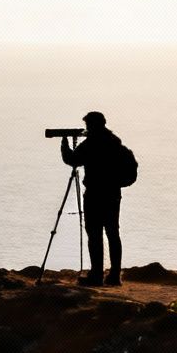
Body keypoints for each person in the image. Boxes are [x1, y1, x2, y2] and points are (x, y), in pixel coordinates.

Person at [60, 111, 126, 286]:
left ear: (92, 125)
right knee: (113, 233)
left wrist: (65, 144)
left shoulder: (91, 144)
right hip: (113, 193)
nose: (86, 129)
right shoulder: (114, 142)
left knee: (94, 233)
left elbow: (72, 160)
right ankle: (114, 276)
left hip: (95, 194)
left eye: (88, 125)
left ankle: (96, 275)